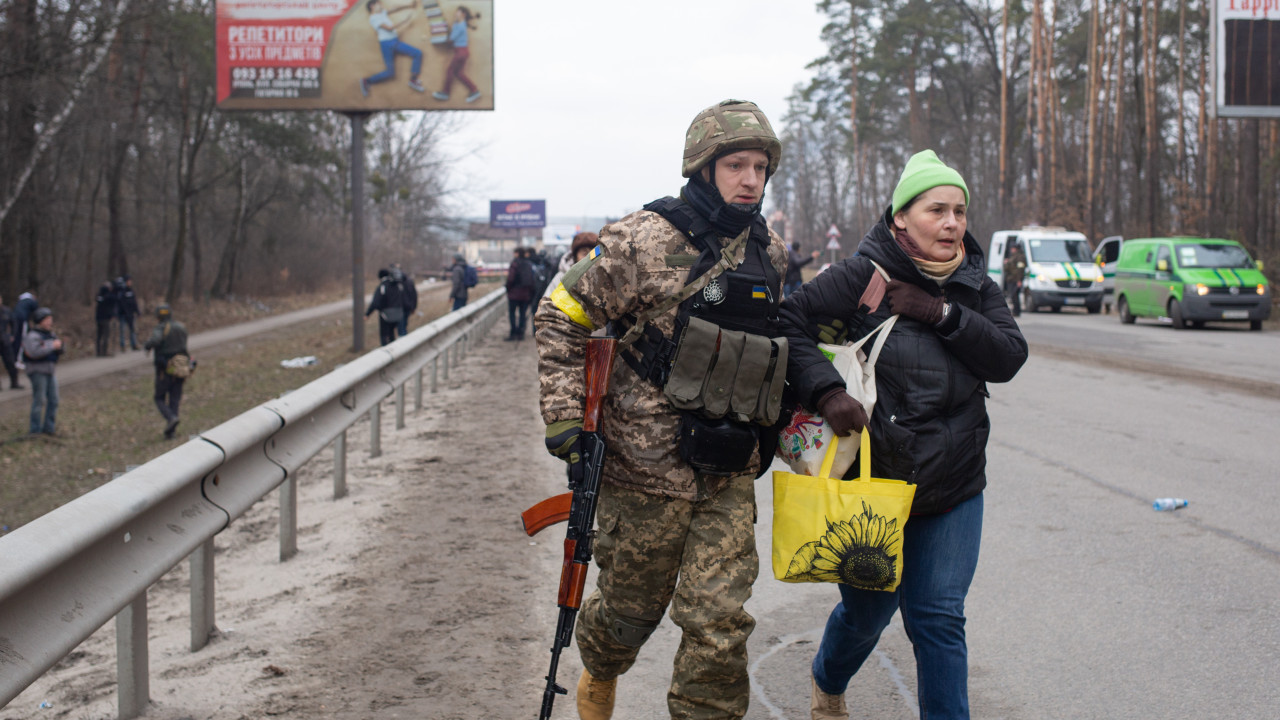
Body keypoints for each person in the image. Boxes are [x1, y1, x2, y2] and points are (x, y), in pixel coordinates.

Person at [534, 98, 789, 719]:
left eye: (759, 166)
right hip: (642, 470)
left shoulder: (770, 252)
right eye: (735, 165)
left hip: (727, 469)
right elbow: (561, 314)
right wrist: (566, 416)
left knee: (720, 624)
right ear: (704, 168)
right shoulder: (642, 238)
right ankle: (599, 677)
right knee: (627, 613)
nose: (750, 179)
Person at [775, 150, 1028, 720]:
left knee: (938, 618)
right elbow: (786, 323)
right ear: (900, 219)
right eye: (936, 209)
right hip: (873, 484)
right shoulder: (862, 277)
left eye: (959, 211)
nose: (952, 223)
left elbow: (1010, 356)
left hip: (954, 485)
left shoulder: (974, 285)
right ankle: (827, 680)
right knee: (867, 615)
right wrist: (825, 392)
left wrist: (941, 314)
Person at [358, 0, 426, 97]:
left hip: (394, 41)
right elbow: (389, 28)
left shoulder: (382, 13)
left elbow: (394, 8)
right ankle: (367, 81)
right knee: (390, 73)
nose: (381, 5)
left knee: (417, 53)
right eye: (378, 4)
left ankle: (413, 80)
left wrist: (408, 5)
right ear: (372, 6)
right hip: (386, 44)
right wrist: (404, 21)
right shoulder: (373, 18)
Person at [144, 304, 190, 439]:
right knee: (175, 397)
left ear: (158, 316)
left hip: (165, 368)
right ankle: (171, 431)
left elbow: (155, 340)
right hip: (181, 366)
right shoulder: (181, 327)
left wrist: (148, 345)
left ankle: (171, 418)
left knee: (159, 397)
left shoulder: (161, 327)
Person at [22, 307, 62, 436]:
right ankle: (35, 430)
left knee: (54, 399)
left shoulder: (50, 334)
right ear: (40, 321)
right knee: (39, 400)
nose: (50, 322)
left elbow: (57, 348)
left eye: (50, 319)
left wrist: (60, 347)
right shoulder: (32, 336)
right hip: (37, 371)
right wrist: (52, 346)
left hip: (50, 370)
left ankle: (49, 428)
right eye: (47, 319)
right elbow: (34, 352)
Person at [431, 6, 481, 103]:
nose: (455, 13)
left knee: (450, 71)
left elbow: (451, 39)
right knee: (458, 73)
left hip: (461, 52)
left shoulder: (461, 26)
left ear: (463, 14)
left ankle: (445, 93)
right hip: (462, 52)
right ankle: (474, 90)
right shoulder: (457, 24)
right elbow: (452, 32)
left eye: (457, 12)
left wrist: (437, 38)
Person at [365, 268, 408, 346]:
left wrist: (367, 314)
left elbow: (375, 302)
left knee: (384, 335)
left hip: (385, 315)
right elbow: (403, 299)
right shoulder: (397, 285)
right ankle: (393, 348)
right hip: (398, 314)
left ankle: (385, 349)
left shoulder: (382, 286)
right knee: (392, 333)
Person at [503, 247, 535, 341]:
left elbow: (510, 279)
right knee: (522, 314)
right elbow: (532, 279)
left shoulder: (515, 263)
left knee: (512, 314)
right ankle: (521, 333)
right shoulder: (528, 264)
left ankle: (513, 333)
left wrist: (508, 289)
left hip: (514, 293)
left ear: (517, 253)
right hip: (525, 294)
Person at [0, 294, 22, 389]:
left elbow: (14, 323)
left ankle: (14, 383)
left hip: (5, 340)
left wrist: (12, 335)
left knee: (10, 362)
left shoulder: (6, 311)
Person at [11, 291, 37, 364]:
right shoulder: (31, 301)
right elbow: (36, 312)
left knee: (17, 338)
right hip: (22, 320)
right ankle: (18, 360)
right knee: (22, 339)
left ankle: (15, 358)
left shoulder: (21, 301)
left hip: (14, 320)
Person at [116, 275, 141, 350]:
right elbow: (121, 303)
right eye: (128, 281)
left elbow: (134, 302)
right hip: (123, 314)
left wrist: (137, 311)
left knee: (132, 330)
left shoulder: (131, 291)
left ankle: (134, 344)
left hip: (131, 314)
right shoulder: (121, 292)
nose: (130, 282)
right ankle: (122, 345)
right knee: (122, 330)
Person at [94, 281, 117, 357]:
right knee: (106, 335)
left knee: (99, 335)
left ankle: (98, 352)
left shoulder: (99, 296)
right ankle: (104, 351)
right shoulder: (109, 296)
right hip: (105, 319)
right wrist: (112, 315)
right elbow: (110, 307)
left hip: (98, 318)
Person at [1002, 244, 1026, 317]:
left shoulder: (1020, 257)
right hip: (1011, 278)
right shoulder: (1013, 256)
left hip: (1015, 279)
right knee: (1013, 296)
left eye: (1012, 248)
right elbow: (1008, 268)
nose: (1011, 250)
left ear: (1015, 249)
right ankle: (1016, 311)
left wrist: (1019, 280)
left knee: (1014, 295)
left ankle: (1016, 311)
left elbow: (1020, 269)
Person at [394, 266, 417, 336]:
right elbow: (414, 295)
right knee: (404, 325)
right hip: (408, 306)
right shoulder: (410, 281)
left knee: (401, 327)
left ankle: (403, 339)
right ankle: (404, 337)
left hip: (401, 307)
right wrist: (413, 307)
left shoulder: (397, 282)